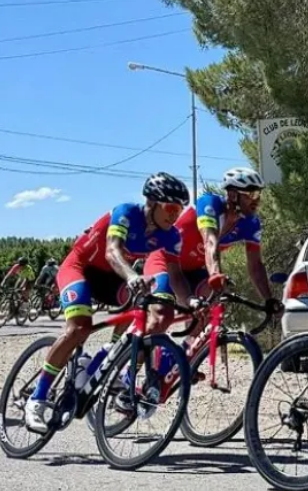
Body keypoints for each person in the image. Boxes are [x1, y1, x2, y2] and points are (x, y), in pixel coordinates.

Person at [24, 172, 191, 433]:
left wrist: (190, 301)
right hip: (81, 267)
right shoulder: (126, 212)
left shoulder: (170, 236)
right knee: (79, 328)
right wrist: (133, 275)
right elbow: (112, 251)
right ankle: (38, 397)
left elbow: (176, 275)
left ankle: (104, 359)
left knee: (143, 308)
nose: (175, 215)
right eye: (171, 208)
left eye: (179, 210)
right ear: (152, 203)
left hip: (112, 278)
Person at [143, 166, 284, 334]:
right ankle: (130, 355)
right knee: (162, 317)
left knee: (209, 314)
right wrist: (216, 274)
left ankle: (181, 357)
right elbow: (210, 241)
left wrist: (268, 299)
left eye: (259, 194)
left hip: (194, 270)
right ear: (233, 195)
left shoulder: (251, 223)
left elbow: (255, 265)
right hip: (164, 263)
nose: (257, 200)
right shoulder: (209, 204)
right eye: (251, 194)